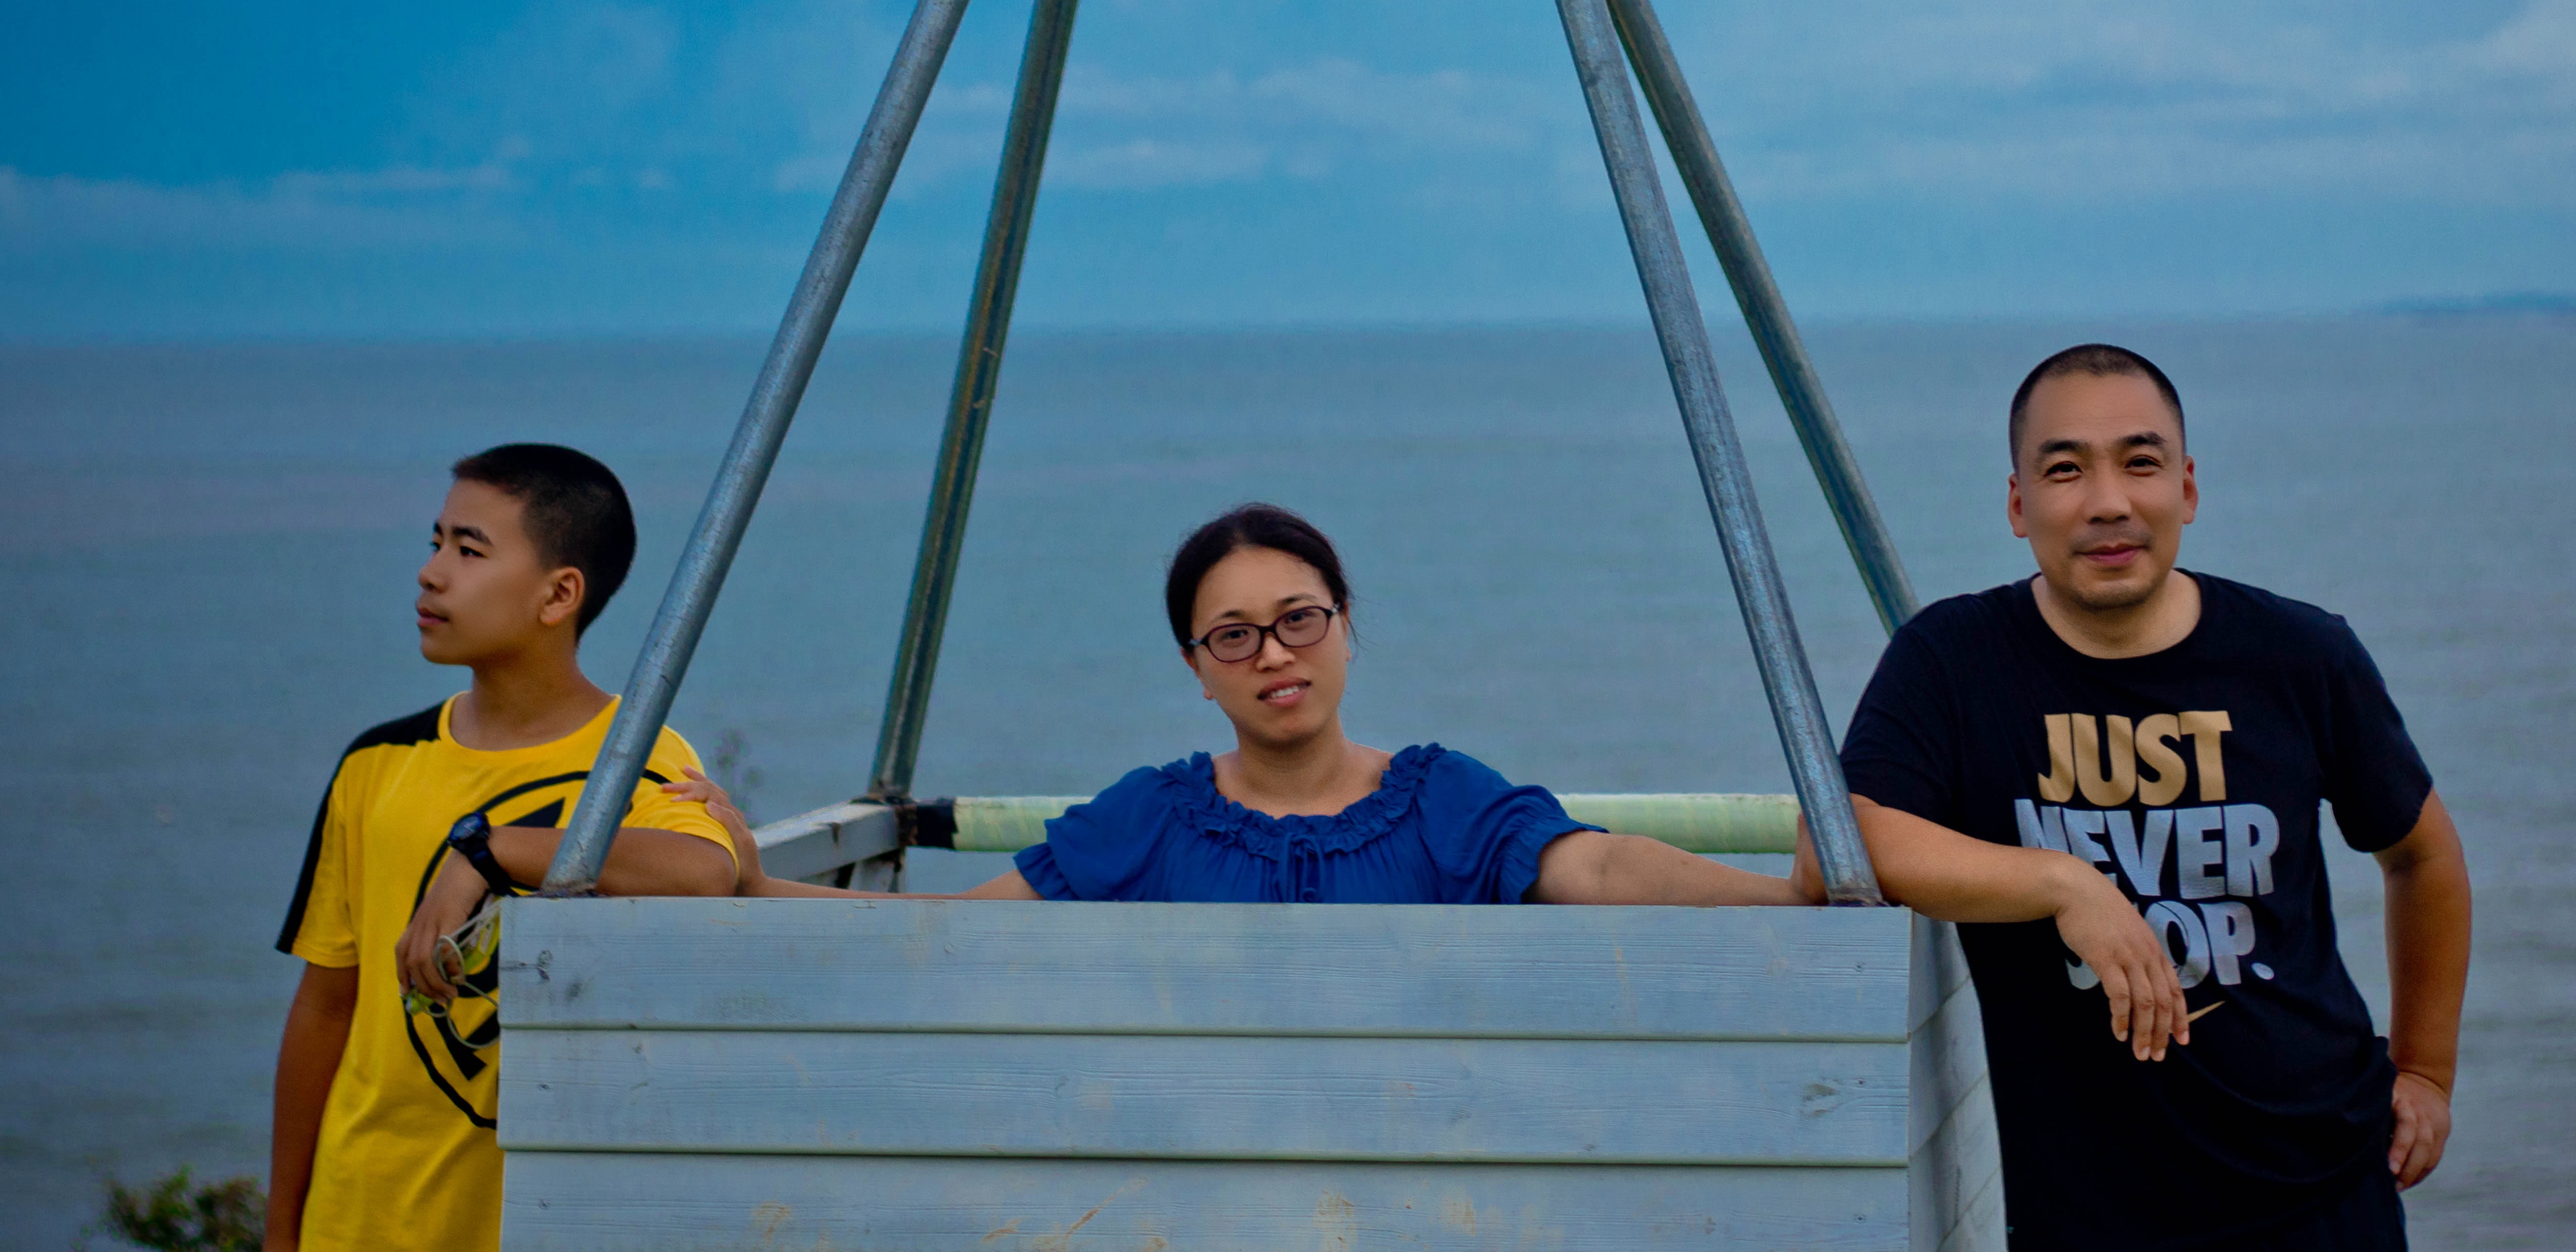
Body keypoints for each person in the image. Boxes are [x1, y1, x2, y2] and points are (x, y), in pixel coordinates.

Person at [1796, 344, 2471, 1251]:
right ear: (2016, 504)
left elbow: (2420, 853)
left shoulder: (2299, 655)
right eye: (2065, 468)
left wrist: (2425, 1070)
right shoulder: (1952, 662)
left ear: (2185, 489)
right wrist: (2064, 886)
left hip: (2321, 1189)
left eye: (2140, 462)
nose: (2107, 500)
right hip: (2090, 1216)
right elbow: (1835, 844)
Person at [679, 502, 1802, 907]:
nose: (1274, 651)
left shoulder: (1442, 796)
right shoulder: (1152, 815)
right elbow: (957, 926)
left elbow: (1599, 865)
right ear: (1198, 666)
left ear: (1347, 624)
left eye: (1300, 616)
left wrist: (1789, 896)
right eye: (1235, 633)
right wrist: (755, 881)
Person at [267, 445, 740, 1252]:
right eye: (435, 541)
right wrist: (282, 1228)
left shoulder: (634, 759)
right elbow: (326, 1006)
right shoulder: (378, 764)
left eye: (469, 549)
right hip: (357, 1218)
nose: (430, 572)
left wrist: (490, 852)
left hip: (526, 1224)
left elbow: (709, 872)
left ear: (559, 593)